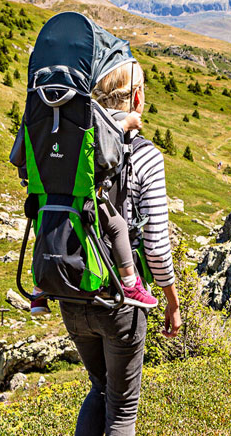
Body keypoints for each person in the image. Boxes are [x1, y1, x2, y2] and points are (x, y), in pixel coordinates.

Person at [48, 60, 182, 436]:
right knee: (122, 409)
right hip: (120, 301)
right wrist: (170, 298)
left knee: (100, 388)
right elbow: (158, 248)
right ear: (138, 99)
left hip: (71, 293)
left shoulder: (75, 149)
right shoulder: (145, 155)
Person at [29, 110, 157, 315]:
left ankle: (39, 289)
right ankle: (130, 284)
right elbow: (107, 151)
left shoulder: (36, 110)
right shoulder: (85, 108)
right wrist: (126, 124)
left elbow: (19, 157)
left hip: (46, 194)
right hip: (79, 194)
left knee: (45, 224)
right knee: (118, 226)